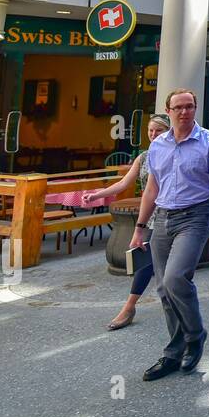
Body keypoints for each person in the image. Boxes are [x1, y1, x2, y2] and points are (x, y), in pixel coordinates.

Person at [131, 89, 209, 381]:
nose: (184, 112)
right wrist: (140, 228)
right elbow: (151, 189)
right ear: (169, 110)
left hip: (196, 216)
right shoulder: (157, 147)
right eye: (179, 107)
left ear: (195, 109)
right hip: (162, 218)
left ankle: (195, 335)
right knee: (163, 288)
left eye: (190, 107)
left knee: (176, 278)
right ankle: (174, 352)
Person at [83, 114, 171, 330]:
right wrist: (97, 195)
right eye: (150, 131)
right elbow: (123, 183)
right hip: (152, 216)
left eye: (158, 131)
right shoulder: (143, 157)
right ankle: (129, 307)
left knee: (168, 263)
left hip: (176, 213)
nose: (153, 135)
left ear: (168, 131)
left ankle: (176, 303)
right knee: (147, 260)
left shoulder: (176, 153)